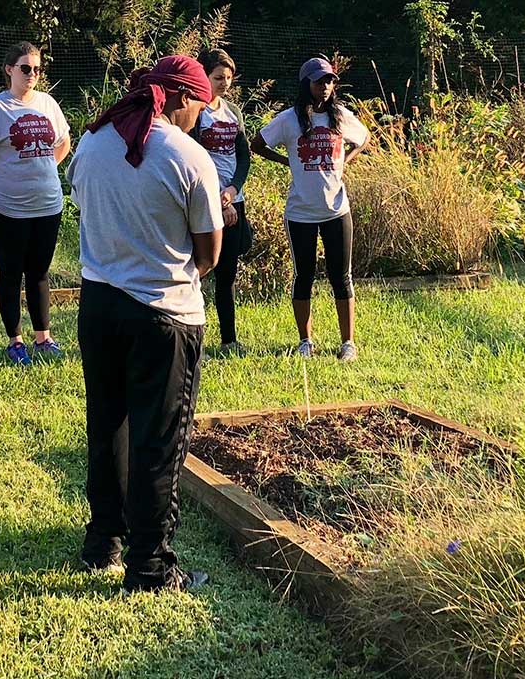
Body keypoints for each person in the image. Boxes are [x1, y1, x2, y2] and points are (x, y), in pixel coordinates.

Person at [70, 54, 222, 592]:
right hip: (163, 314)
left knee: (107, 424)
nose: (199, 119)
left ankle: (103, 541)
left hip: (99, 303)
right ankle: (151, 567)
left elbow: (86, 208)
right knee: (158, 441)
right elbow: (208, 254)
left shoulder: (91, 141)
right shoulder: (186, 156)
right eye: (199, 107)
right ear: (180, 97)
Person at [0, 41, 72, 365]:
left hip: (48, 204)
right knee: (10, 272)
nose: (32, 74)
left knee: (39, 272)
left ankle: (43, 337)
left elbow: (63, 141)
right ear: (9, 70)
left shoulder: (48, 104)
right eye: (25, 68)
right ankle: (15, 341)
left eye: (37, 69)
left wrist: (48, 168)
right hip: (9, 206)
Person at [251, 57, 369, 361]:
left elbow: (365, 137)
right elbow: (257, 143)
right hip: (300, 213)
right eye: (319, 82)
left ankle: (348, 344)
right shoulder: (289, 120)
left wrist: (347, 160)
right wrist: (286, 161)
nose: (326, 87)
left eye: (330, 81)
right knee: (303, 275)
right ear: (306, 85)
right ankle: (305, 341)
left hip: (336, 210)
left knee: (341, 276)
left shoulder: (341, 116)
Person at [190, 48, 252, 355]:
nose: (224, 83)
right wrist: (217, 198)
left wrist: (232, 190)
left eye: (228, 78)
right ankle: (193, 338)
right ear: (204, 76)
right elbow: (192, 156)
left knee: (228, 273)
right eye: (218, 77)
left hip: (232, 198)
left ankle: (229, 339)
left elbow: (243, 156)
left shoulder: (233, 111)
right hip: (204, 200)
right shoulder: (195, 112)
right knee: (198, 270)